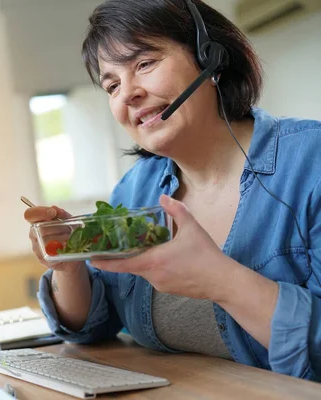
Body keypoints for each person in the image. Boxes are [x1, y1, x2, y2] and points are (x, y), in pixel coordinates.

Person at [24, 0, 321, 382]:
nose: (127, 93)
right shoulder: (135, 189)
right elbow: (94, 324)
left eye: (144, 64)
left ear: (209, 58)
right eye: (112, 84)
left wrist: (221, 280)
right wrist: (68, 267)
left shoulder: (310, 163)